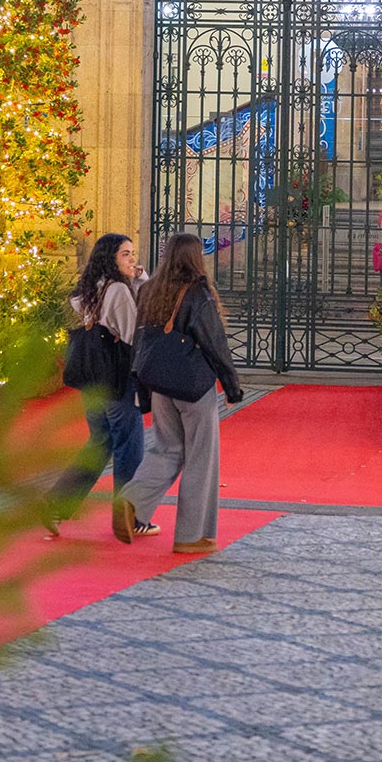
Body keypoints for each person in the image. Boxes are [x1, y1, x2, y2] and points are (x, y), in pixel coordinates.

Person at [113, 232, 243, 555]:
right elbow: (215, 343)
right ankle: (192, 535)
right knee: (201, 456)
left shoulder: (150, 290)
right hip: (194, 386)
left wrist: (142, 387)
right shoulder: (197, 293)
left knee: (166, 449)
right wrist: (232, 387)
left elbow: (141, 343)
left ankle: (131, 499)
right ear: (195, 258)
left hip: (160, 385)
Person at [49, 233, 159, 535]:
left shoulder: (91, 288)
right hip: (117, 379)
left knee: (100, 443)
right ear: (111, 258)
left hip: (92, 381)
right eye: (125, 254)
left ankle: (57, 503)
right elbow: (133, 334)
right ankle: (129, 517)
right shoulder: (119, 292)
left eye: (133, 253)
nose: (133, 259)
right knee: (129, 446)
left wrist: (138, 279)